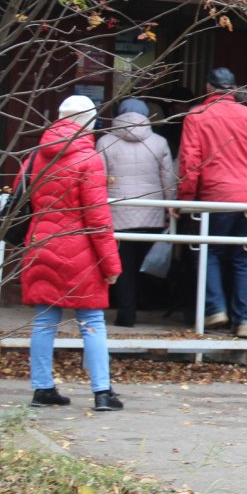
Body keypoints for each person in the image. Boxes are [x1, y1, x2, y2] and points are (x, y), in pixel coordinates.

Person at [22, 96, 124, 411]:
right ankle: (102, 392)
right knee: (92, 319)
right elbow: (97, 217)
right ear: (88, 122)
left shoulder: (36, 156)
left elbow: (20, 200)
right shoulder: (88, 158)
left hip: (42, 243)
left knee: (44, 320)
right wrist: (111, 263)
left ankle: (42, 389)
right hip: (81, 251)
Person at [177, 68, 247, 337]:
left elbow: (190, 162)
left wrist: (184, 200)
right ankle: (244, 320)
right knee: (245, 259)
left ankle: (215, 310)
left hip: (217, 195)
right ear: (234, 88)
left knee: (209, 251)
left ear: (208, 88)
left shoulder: (196, 115)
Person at [97, 97, 176, 328]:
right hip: (151, 213)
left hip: (118, 215)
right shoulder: (160, 142)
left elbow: (97, 179)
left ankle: (126, 315)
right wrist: (170, 205)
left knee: (124, 267)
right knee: (147, 264)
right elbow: (168, 180)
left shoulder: (105, 142)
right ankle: (148, 306)